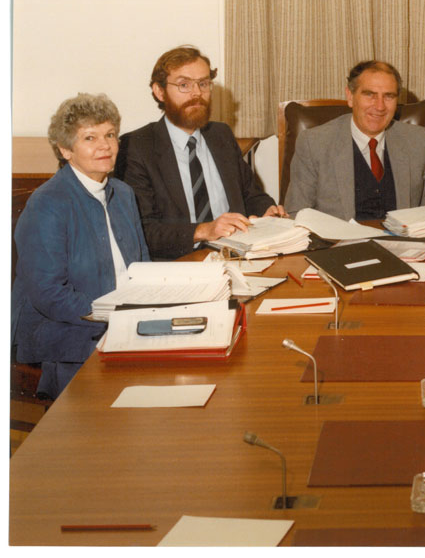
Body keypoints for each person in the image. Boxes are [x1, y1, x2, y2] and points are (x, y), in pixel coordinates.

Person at [12, 94, 149, 398]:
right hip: (68, 335)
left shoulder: (124, 194)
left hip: (121, 322)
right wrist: (112, 314)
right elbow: (49, 294)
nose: (105, 145)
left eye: (110, 135)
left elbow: (142, 268)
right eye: (90, 137)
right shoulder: (48, 204)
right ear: (65, 150)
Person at [116, 45, 283, 259]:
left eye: (203, 83)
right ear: (159, 92)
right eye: (184, 84)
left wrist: (267, 210)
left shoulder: (220, 135)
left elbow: (250, 195)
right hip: (179, 265)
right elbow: (142, 230)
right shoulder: (137, 147)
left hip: (238, 256)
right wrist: (204, 230)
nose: (197, 94)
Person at [284, 60, 425, 220]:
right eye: (370, 95)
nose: (380, 106)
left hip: (405, 243)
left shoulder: (418, 141)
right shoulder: (314, 143)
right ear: (350, 97)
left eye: (389, 96)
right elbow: (297, 215)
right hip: (341, 243)